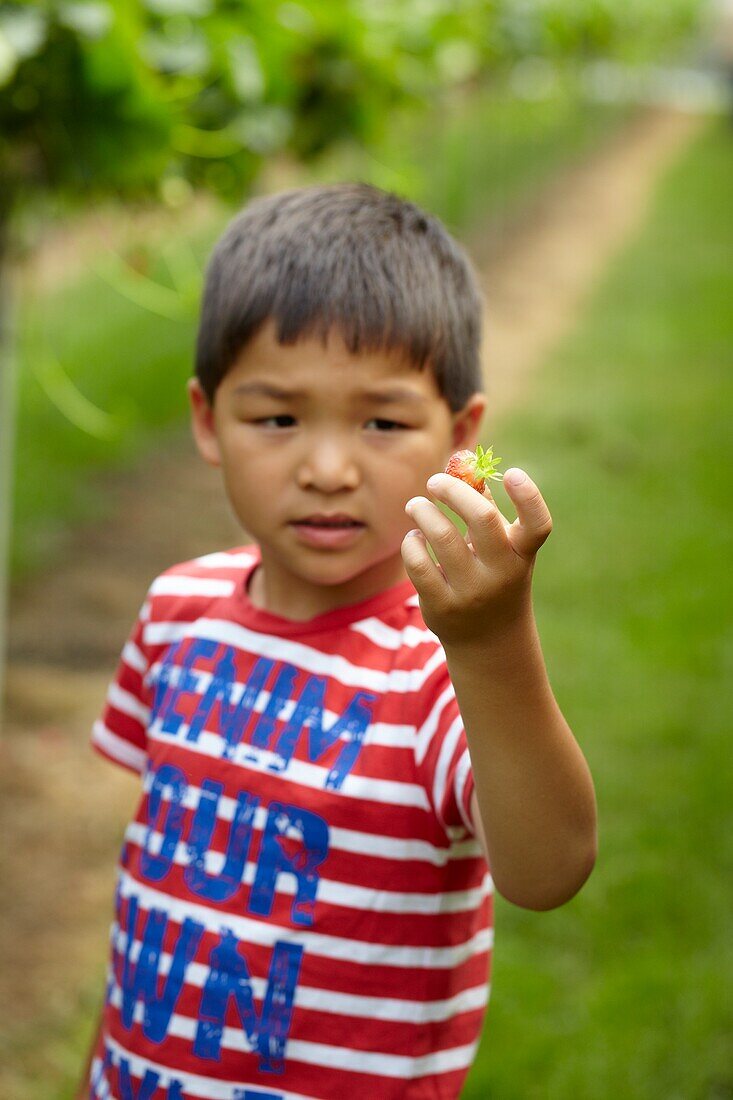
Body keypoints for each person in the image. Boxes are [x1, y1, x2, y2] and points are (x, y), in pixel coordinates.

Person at [77, 183, 597, 1099]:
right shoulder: (176, 611)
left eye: (382, 422)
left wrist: (491, 642)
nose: (325, 469)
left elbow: (550, 867)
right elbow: (151, 900)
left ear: (459, 435)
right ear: (207, 420)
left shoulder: (434, 670)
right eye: (277, 418)